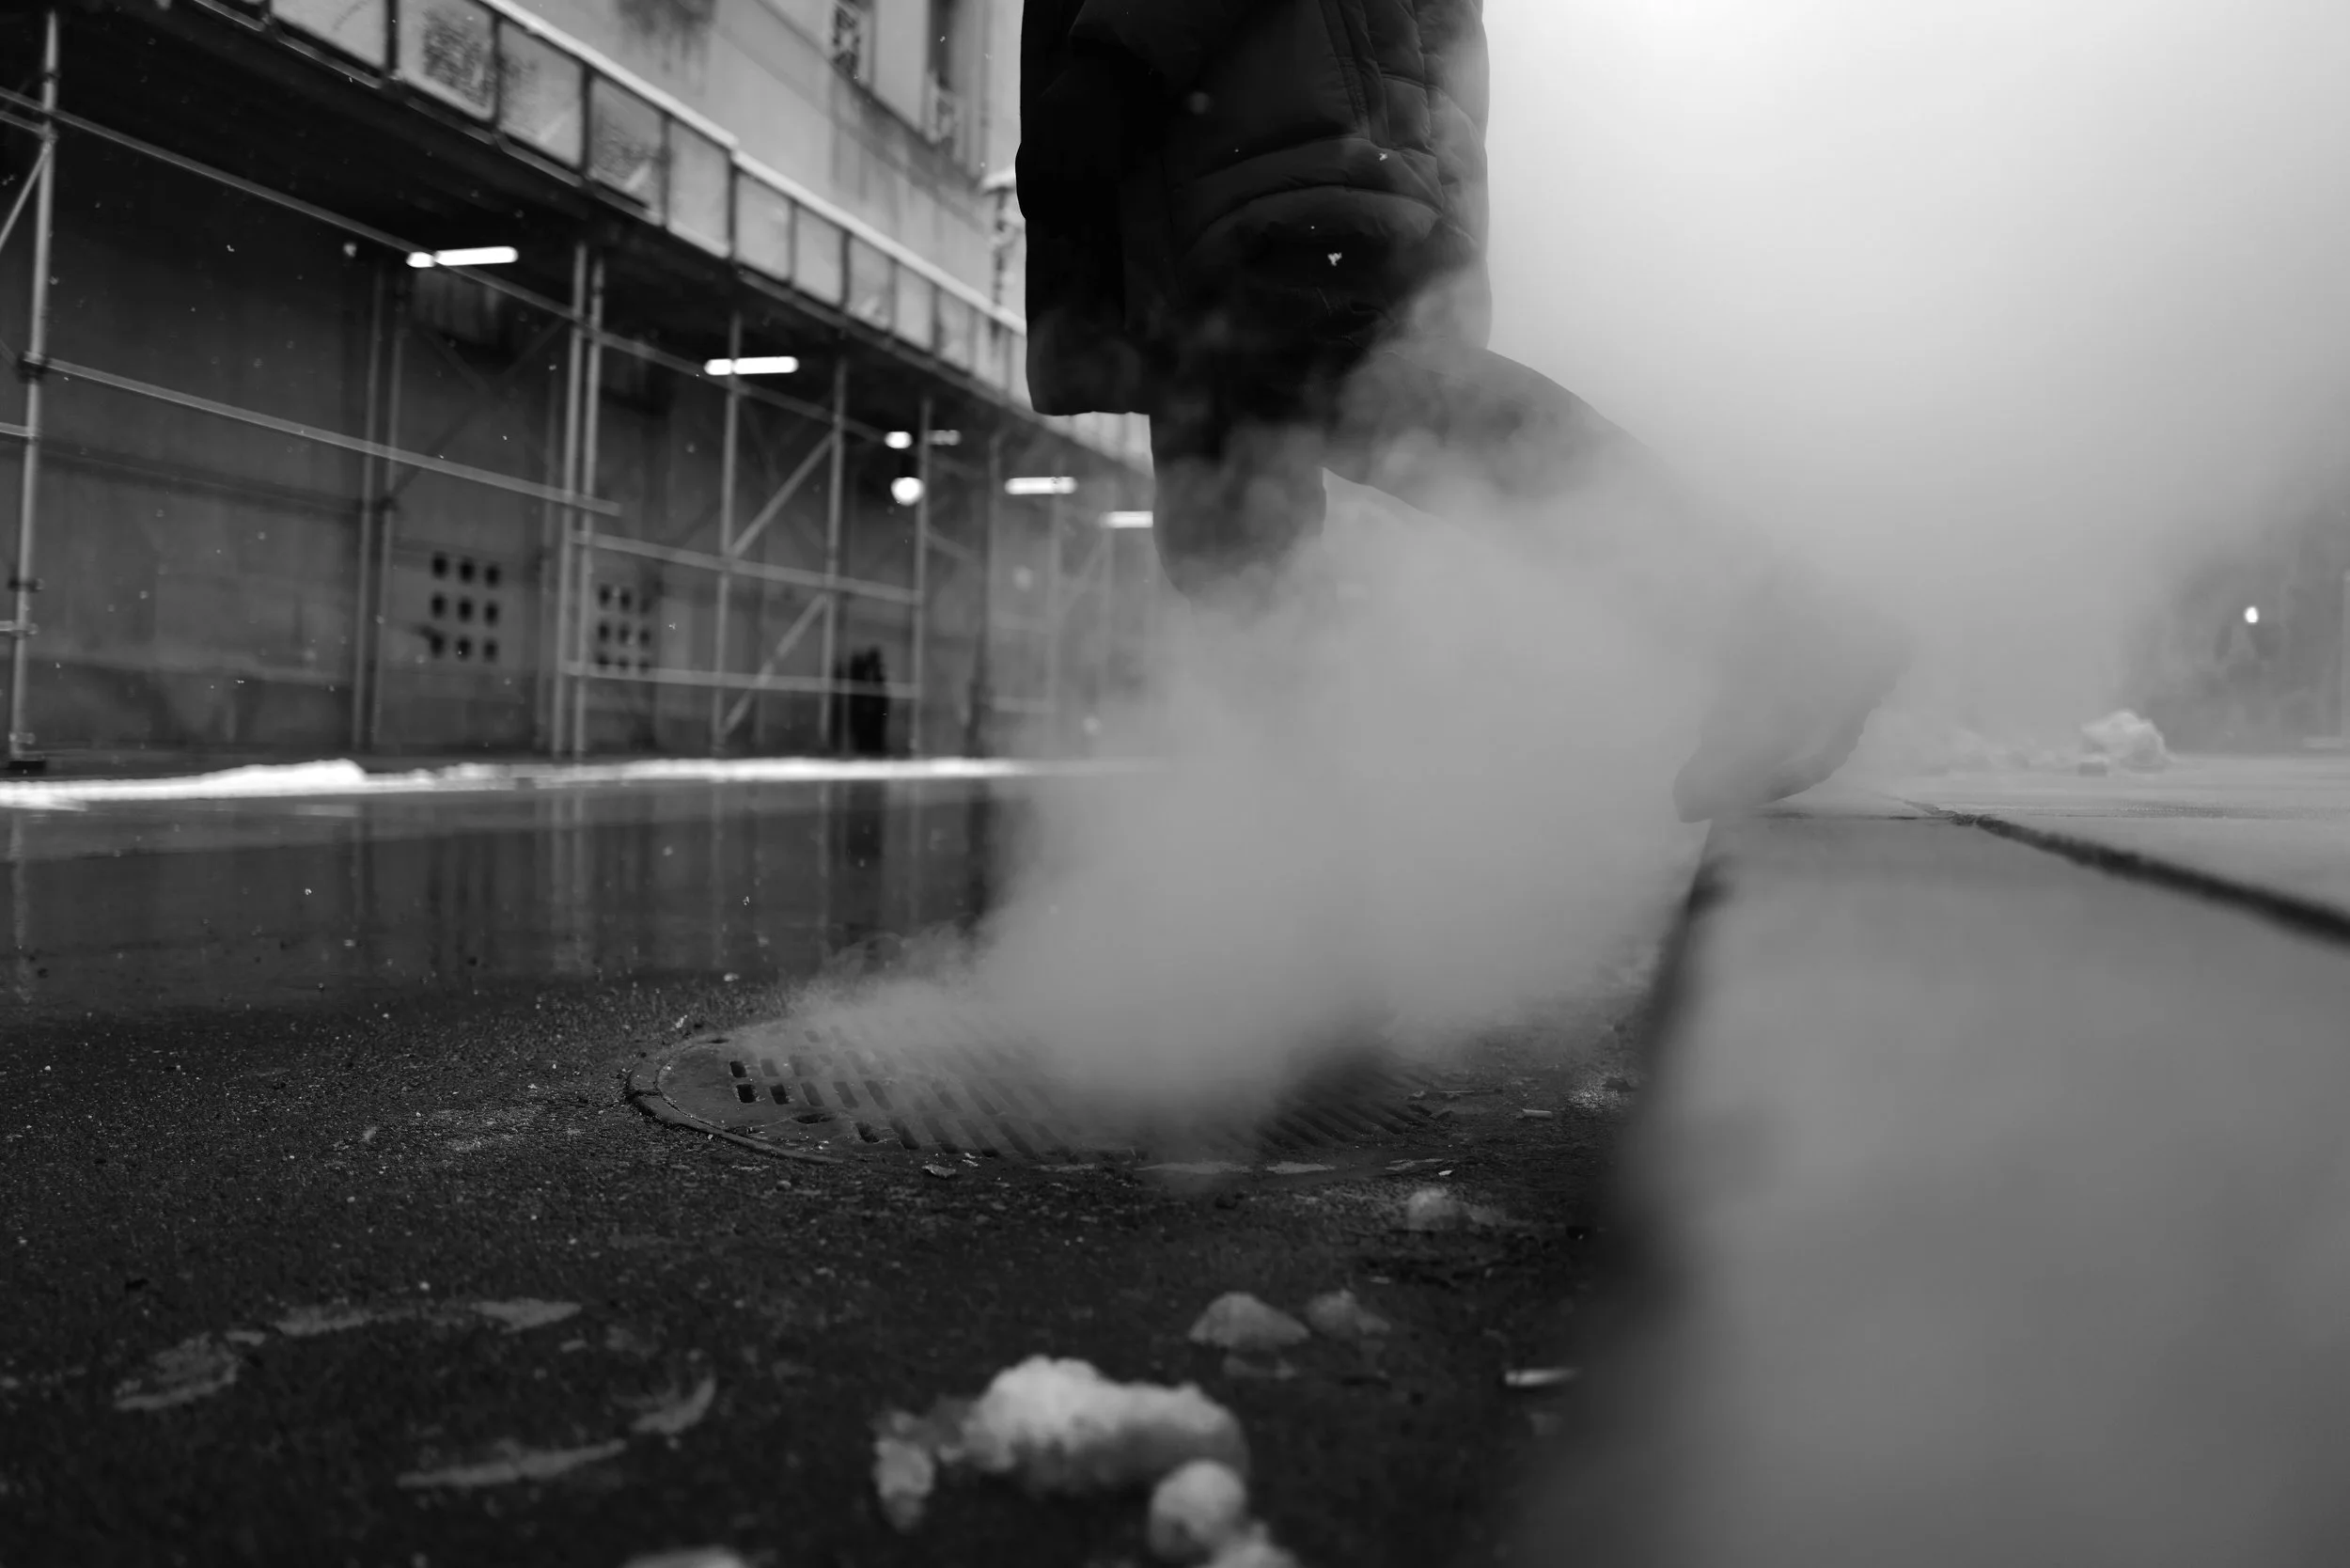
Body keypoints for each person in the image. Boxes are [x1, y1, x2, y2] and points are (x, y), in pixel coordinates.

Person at [1016, 0, 1906, 821]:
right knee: (1230, 546)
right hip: (1210, 149)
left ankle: (1781, 632)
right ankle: (1296, 916)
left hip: (1244, 116)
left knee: (1377, 408)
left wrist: (1120, 58)